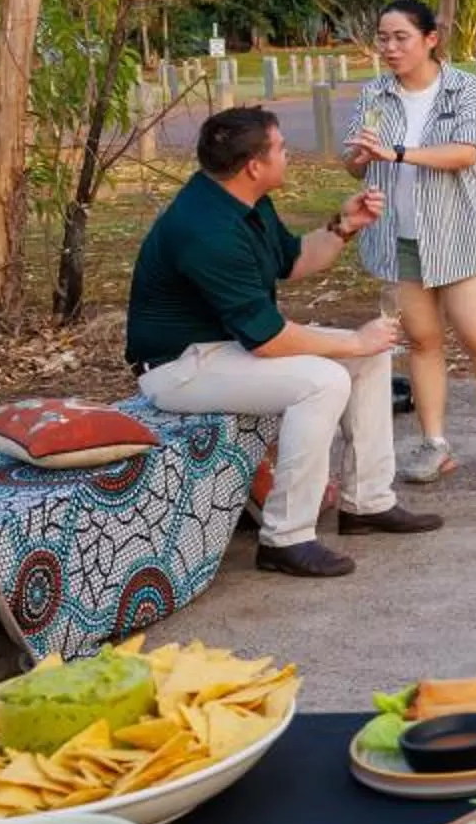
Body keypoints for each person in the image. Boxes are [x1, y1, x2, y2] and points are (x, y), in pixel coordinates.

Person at [126, 107, 441, 579]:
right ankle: (285, 538)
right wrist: (352, 342)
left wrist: (344, 226)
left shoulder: (243, 200)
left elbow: (292, 261)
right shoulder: (205, 229)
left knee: (367, 358)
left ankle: (367, 503)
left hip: (221, 347)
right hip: (176, 369)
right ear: (255, 165)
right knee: (324, 380)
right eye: (281, 149)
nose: (288, 156)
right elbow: (268, 339)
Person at [342, 0, 476, 483]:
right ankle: (434, 444)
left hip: (460, 236)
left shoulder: (463, 89)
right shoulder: (375, 95)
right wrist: (361, 158)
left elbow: (466, 153)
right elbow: (354, 160)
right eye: (383, 38)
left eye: (401, 37)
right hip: (397, 238)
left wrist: (399, 152)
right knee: (422, 342)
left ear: (430, 40)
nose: (390, 48)